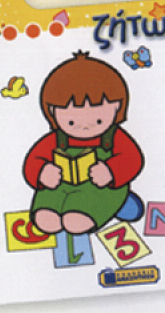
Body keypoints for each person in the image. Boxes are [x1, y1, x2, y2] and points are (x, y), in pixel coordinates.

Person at [23, 51, 144, 235]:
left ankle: (119, 203)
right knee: (46, 219)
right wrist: (42, 173)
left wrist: (111, 172)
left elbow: (132, 159)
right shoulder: (55, 139)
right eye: (72, 122)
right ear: (52, 111)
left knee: (75, 221)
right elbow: (33, 160)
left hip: (100, 187)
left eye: (98, 120)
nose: (85, 126)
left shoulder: (114, 137)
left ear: (117, 106)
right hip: (59, 186)